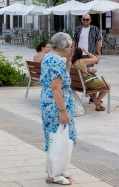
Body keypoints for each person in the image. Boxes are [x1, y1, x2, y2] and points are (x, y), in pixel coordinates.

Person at [40, 32, 76, 185]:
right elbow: (56, 88)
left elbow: (62, 78)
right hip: (55, 104)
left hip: (49, 101)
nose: (72, 48)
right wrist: (63, 111)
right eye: (70, 46)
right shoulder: (56, 61)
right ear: (65, 46)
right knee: (56, 135)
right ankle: (53, 174)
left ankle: (56, 168)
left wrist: (68, 60)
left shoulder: (49, 57)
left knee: (55, 135)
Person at [71, 48, 111, 112]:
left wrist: (87, 70)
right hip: (87, 83)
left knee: (94, 74)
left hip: (79, 84)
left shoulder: (70, 63)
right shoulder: (82, 61)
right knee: (108, 85)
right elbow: (96, 59)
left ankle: (94, 98)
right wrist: (87, 52)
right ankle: (97, 102)